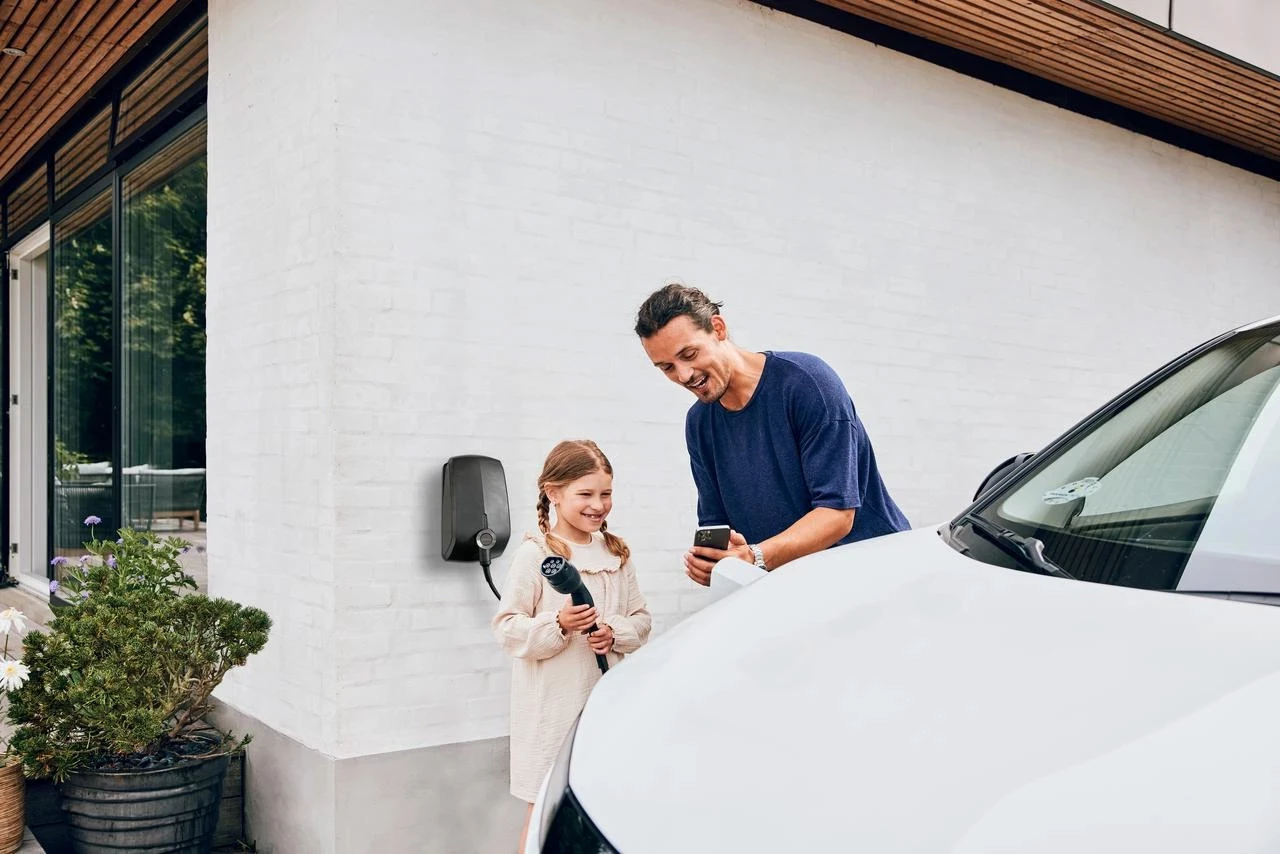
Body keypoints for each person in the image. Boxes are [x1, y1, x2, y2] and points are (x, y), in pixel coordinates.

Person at [634, 282, 911, 586]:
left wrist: (753, 557)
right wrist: (714, 562)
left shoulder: (806, 383)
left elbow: (837, 514)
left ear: (718, 329)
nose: (684, 375)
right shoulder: (699, 423)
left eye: (689, 354)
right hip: (788, 585)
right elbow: (716, 525)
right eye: (667, 368)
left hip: (875, 575)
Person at [492, 439, 652, 851]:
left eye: (606, 494)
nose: (598, 505)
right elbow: (507, 628)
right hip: (551, 711)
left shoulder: (616, 554)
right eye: (586, 494)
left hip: (604, 708)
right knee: (544, 812)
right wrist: (558, 624)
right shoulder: (536, 555)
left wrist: (613, 632)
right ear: (554, 493)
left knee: (601, 809)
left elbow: (642, 620)